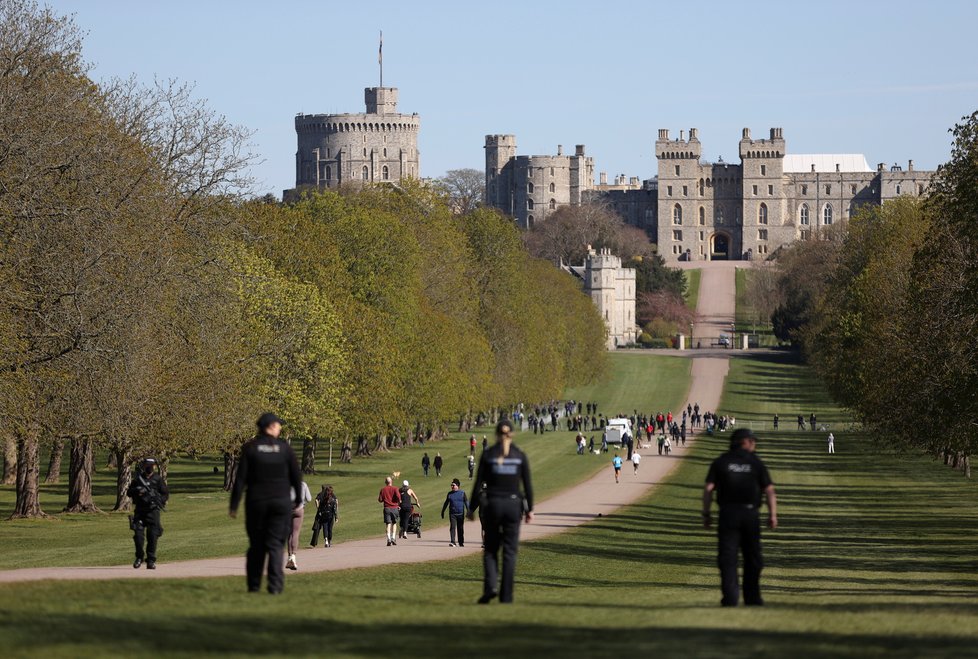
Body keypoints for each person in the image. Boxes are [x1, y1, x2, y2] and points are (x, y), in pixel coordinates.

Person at [702, 428, 778, 607]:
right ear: (744, 442)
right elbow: (769, 491)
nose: (754, 444)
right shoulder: (756, 463)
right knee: (753, 557)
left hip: (727, 514)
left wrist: (706, 513)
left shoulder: (721, 462)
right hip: (750, 514)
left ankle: (730, 597)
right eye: (752, 441)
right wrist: (772, 514)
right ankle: (752, 597)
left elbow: (708, 489)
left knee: (728, 557)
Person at [229, 412, 303, 594]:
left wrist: (234, 504)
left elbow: (240, 479)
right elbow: (296, 477)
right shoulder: (284, 448)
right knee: (276, 544)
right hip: (280, 502)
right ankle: (275, 586)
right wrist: (299, 499)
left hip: (257, 502)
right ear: (270, 426)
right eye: (278, 425)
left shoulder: (251, 448)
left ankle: (254, 585)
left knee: (257, 544)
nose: (280, 428)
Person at [469, 418, 534, 604]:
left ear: (496, 435)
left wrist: (472, 508)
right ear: (512, 434)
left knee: (490, 550)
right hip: (514, 506)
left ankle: (491, 587)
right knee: (510, 552)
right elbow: (527, 486)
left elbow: (478, 483)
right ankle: (506, 596)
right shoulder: (519, 455)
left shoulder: (488, 455)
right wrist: (530, 510)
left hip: (492, 505)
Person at [127, 457, 169, 570]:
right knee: (139, 536)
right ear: (144, 466)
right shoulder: (137, 479)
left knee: (152, 536)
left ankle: (150, 560)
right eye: (147, 465)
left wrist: (159, 500)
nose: (150, 467)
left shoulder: (158, 479)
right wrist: (138, 490)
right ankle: (139, 557)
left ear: (155, 466)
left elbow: (165, 494)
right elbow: (129, 492)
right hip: (140, 511)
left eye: (152, 465)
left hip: (153, 511)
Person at [286, 479, 313, 570]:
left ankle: (289, 557)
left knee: (289, 534)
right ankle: (293, 556)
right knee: (295, 533)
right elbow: (309, 499)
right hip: (299, 509)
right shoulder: (303, 484)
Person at [441, 478, 470, 547]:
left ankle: (461, 542)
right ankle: (453, 542)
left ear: (457, 485)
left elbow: (466, 503)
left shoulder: (462, 493)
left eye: (453, 485)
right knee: (452, 527)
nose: (452, 486)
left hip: (460, 514)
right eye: (451, 485)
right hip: (452, 514)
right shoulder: (449, 494)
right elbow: (446, 503)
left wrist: (469, 512)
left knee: (460, 528)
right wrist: (443, 511)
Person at [378, 476, 402, 546]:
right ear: (391, 482)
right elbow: (398, 498)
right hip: (394, 508)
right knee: (394, 523)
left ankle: (388, 538)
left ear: (385, 482)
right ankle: (393, 538)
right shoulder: (395, 488)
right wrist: (399, 503)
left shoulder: (383, 489)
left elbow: (380, 500)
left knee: (388, 524)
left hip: (387, 508)